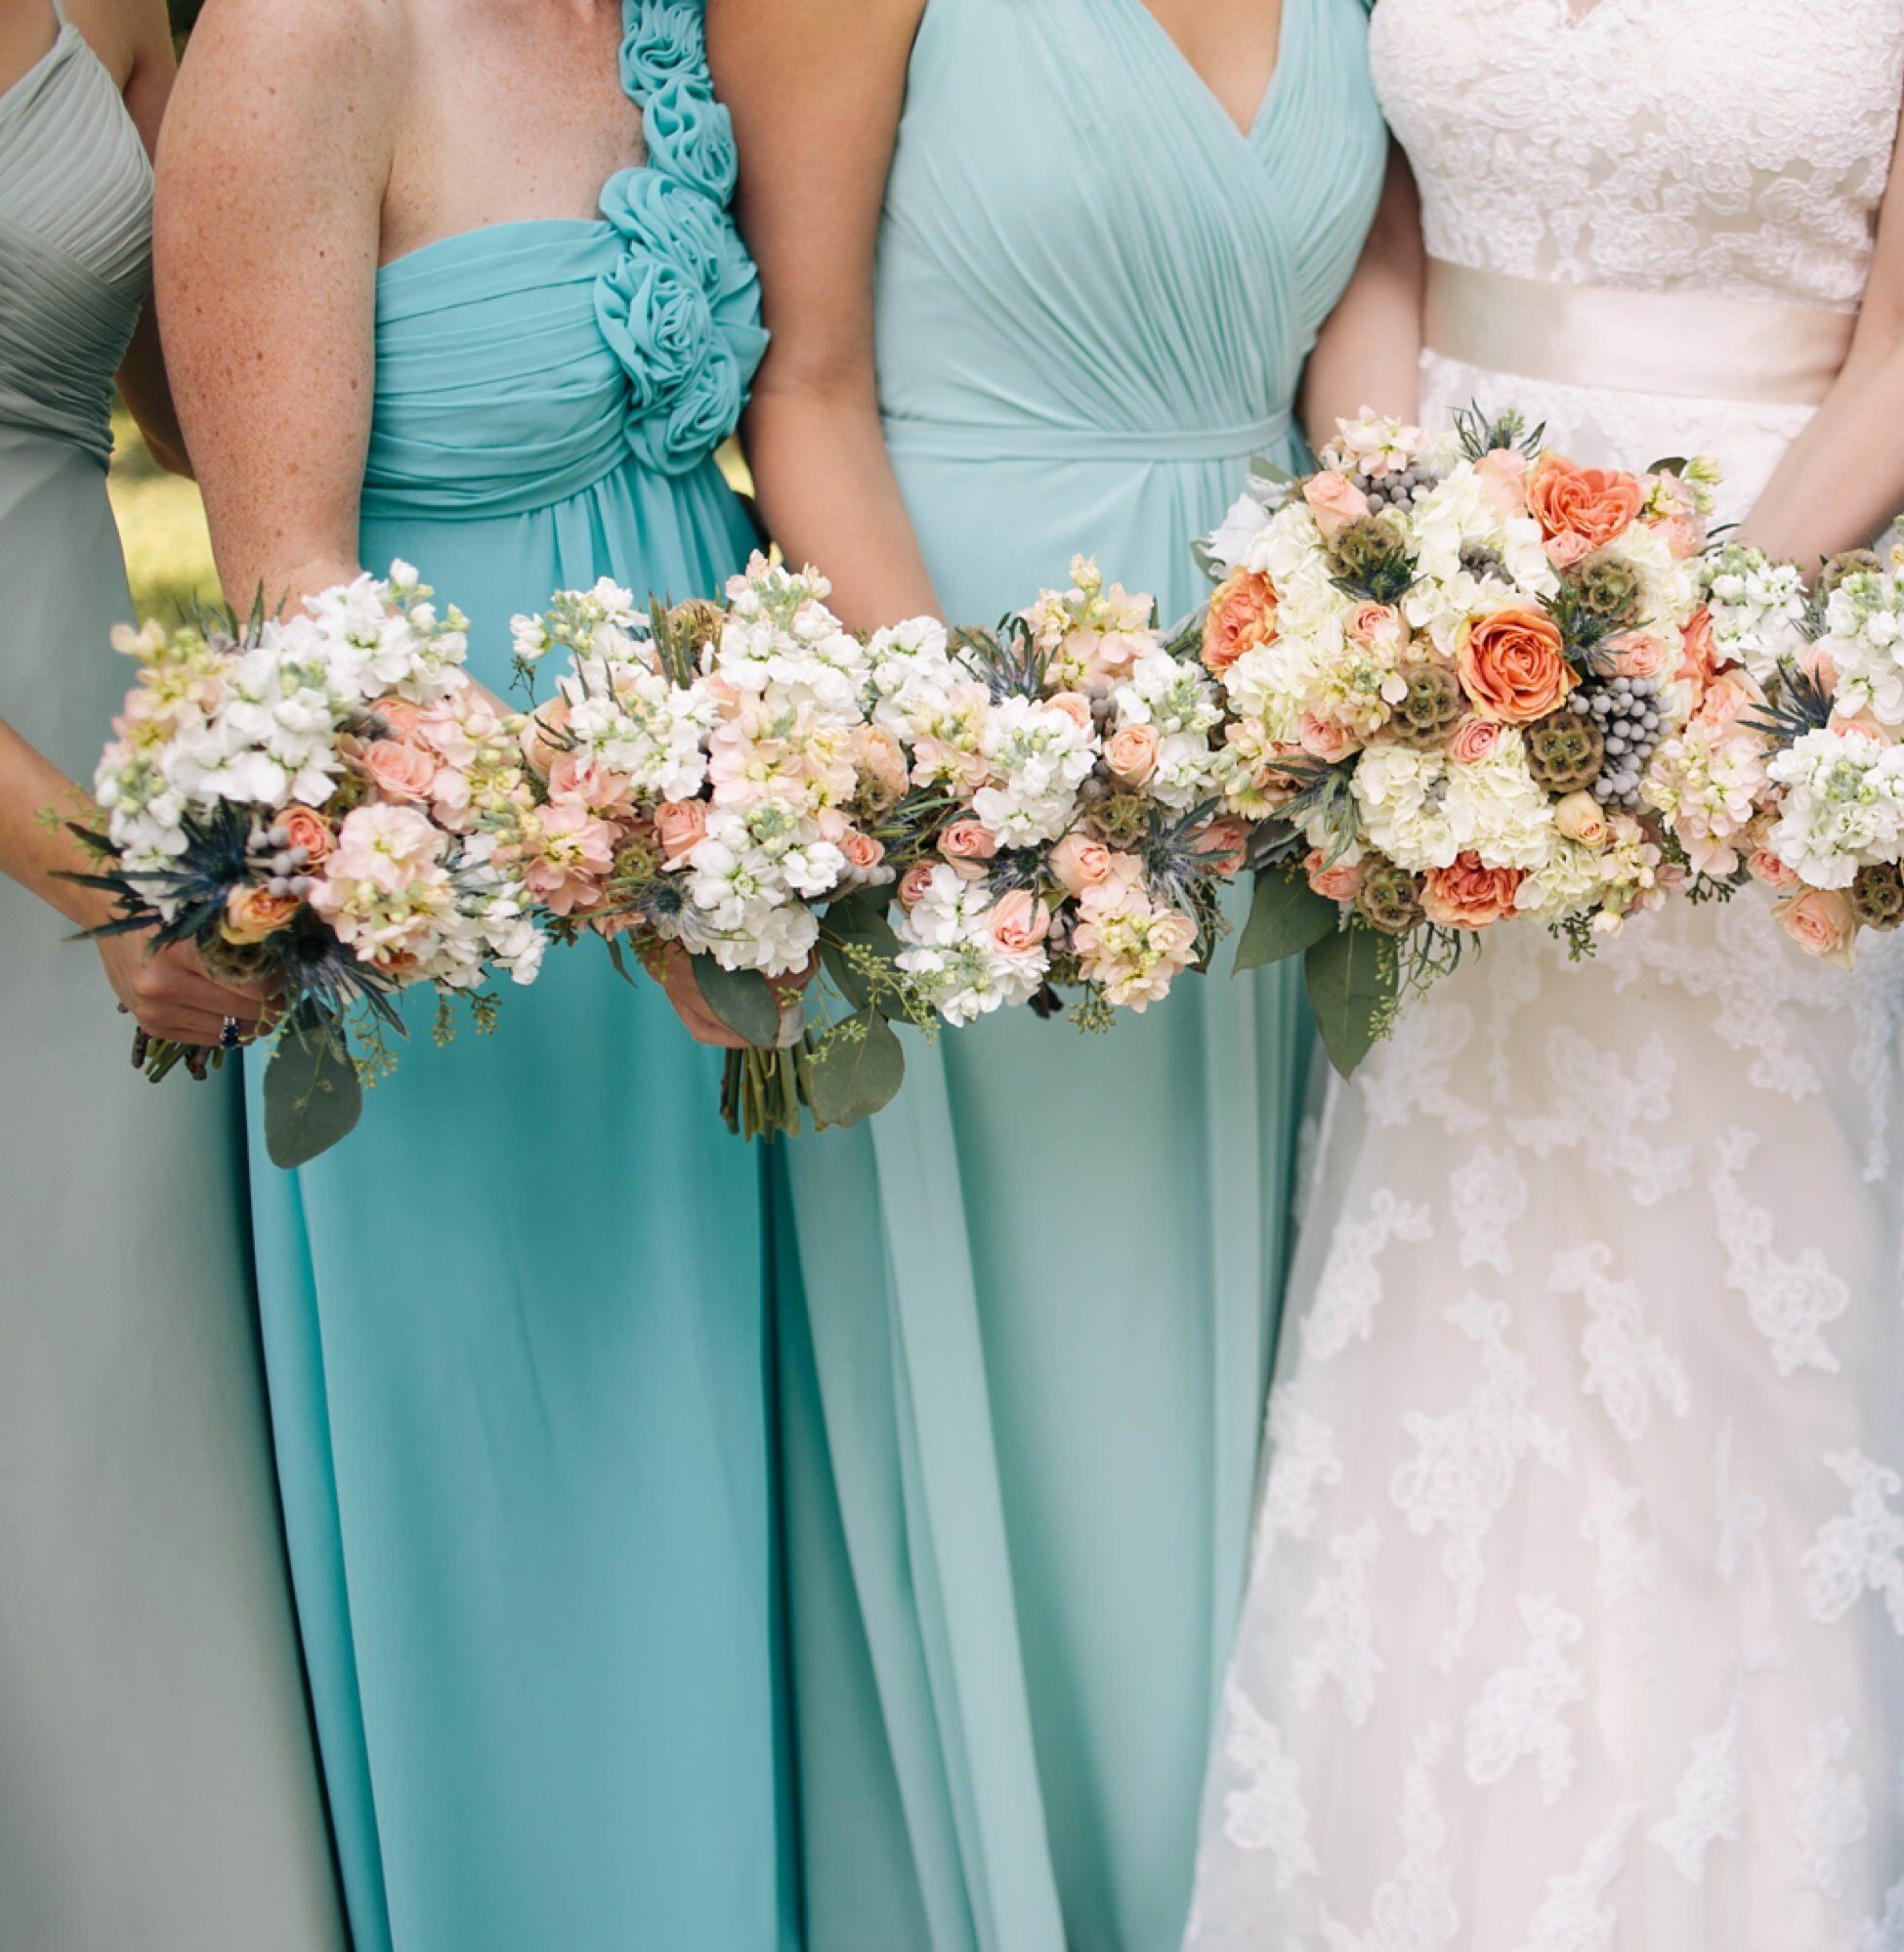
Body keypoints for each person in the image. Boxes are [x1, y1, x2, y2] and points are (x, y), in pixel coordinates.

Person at [1179, 1, 1904, 1942]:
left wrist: (1672, 639)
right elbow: (1387, 233)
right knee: (1447, 1277)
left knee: (1722, 1301)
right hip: (1438, 642)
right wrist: (1386, 559)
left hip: (1751, 624)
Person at [704, 1, 1384, 1942]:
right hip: (974, 697)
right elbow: (804, 389)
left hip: (1266, 737)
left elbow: (1349, 366)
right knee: (1050, 1359)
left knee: (1256, 1346)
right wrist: (983, 770)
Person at [154, 2, 789, 1945]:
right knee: (549, 1536)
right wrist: (595, 856)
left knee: (720, 1506)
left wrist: (769, 821)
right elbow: (289, 593)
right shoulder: (302, 36)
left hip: (730, 863)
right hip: (471, 921)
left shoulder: (677, 28)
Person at [0, 0, 344, 1943]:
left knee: (119, 1404)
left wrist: (317, 752)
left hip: (91, 706)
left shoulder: (109, 11)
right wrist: (103, 888)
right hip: (63, 852)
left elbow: (207, 405)